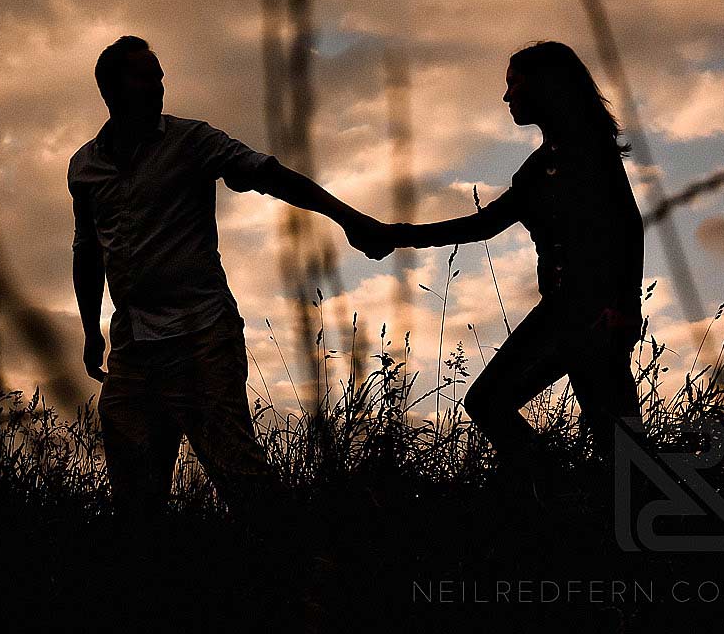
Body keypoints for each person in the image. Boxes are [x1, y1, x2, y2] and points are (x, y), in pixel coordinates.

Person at [70, 35, 389, 524]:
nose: (158, 83)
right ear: (110, 90)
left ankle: (301, 580)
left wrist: (348, 218)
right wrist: (91, 330)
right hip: (132, 349)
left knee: (243, 480)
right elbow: (88, 250)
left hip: (201, 339)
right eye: (144, 75)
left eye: (159, 74)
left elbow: (270, 173)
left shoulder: (192, 141)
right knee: (134, 500)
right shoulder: (84, 167)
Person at [366, 40, 646, 479]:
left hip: (595, 316)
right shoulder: (536, 171)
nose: (506, 95)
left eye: (514, 84)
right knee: (489, 403)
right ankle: (554, 489)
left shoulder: (590, 152)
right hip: (560, 316)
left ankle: (587, 503)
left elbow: (629, 227)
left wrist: (627, 308)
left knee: (620, 446)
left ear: (545, 85)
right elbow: (481, 225)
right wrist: (398, 235)